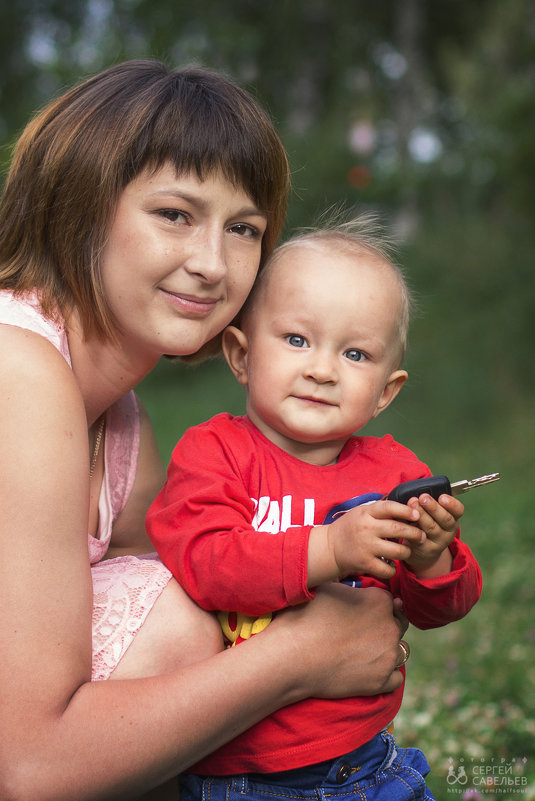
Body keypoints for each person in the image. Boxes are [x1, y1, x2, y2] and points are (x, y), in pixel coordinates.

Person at [0, 61, 414, 801]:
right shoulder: (16, 373)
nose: (211, 264)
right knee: (183, 625)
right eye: (174, 214)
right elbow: (25, 768)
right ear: (81, 204)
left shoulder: (121, 424)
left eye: (244, 228)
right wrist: (297, 657)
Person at [147, 217, 483, 801]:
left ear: (385, 391)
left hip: (368, 761)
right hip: (246, 774)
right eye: (298, 340)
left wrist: (432, 559)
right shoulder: (215, 453)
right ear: (241, 355)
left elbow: (442, 608)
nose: (322, 370)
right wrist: (328, 548)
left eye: (355, 354)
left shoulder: (396, 473)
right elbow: (204, 563)